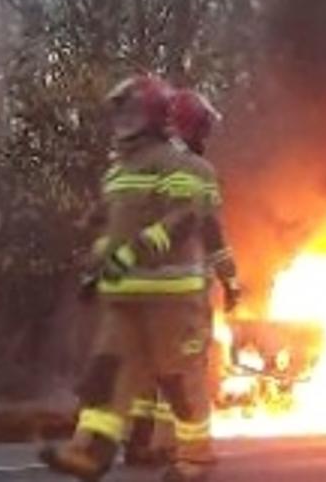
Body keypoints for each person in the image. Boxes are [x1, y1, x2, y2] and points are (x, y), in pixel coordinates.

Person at [41, 75, 222, 481]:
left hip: (169, 294)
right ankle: (90, 451)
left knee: (177, 379)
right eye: (120, 112)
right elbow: (113, 225)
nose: (125, 120)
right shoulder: (117, 170)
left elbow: (185, 217)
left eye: (134, 112)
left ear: (156, 117)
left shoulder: (178, 163)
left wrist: (136, 251)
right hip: (123, 294)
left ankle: (195, 458)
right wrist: (97, 260)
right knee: (106, 373)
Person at [121, 88, 242, 469]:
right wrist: (230, 280)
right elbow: (210, 231)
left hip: (132, 285)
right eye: (204, 128)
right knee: (184, 369)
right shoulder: (197, 172)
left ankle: (139, 442)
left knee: (144, 365)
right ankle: (181, 449)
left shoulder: (137, 163)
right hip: (177, 291)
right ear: (190, 128)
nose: (207, 137)